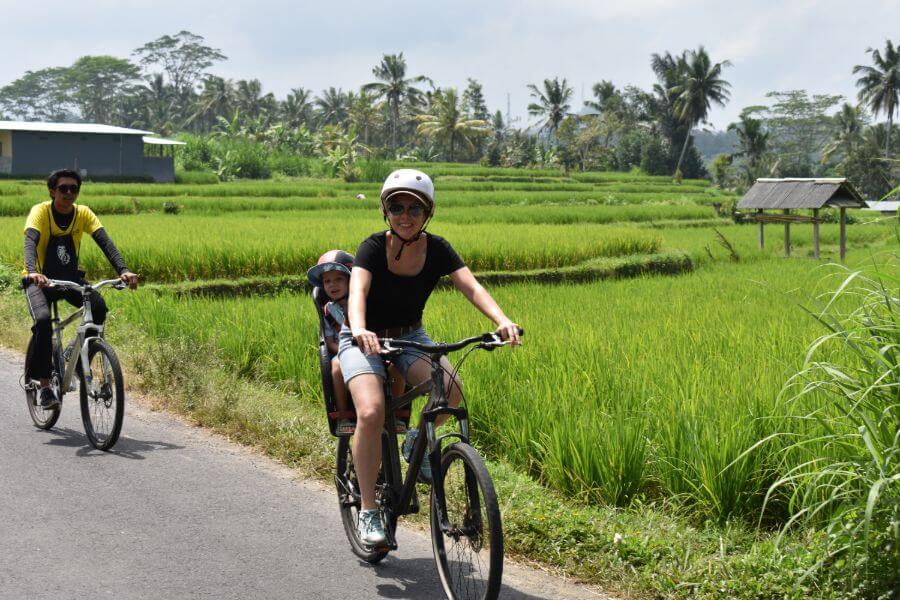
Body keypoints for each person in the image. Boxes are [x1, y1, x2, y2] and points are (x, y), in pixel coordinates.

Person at [339, 168, 521, 546]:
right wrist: (359, 327)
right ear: (385, 211)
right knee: (371, 412)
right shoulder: (372, 247)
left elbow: (471, 287)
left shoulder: (437, 249)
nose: (405, 216)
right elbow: (357, 291)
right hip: (363, 338)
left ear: (428, 214)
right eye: (397, 207)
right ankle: (369, 513)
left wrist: (502, 320)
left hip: (410, 337)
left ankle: (416, 440)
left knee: (450, 389)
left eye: (415, 209)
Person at [23, 169, 139, 409]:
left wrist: (123, 270)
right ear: (52, 191)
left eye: (73, 189)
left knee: (98, 307)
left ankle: (73, 358)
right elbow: (30, 240)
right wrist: (33, 271)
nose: (68, 193)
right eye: (63, 188)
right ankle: (44, 387)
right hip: (39, 281)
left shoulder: (83, 213)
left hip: (69, 279)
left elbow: (105, 242)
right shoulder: (41, 211)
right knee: (43, 321)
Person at [308, 249, 406, 436]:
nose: (332, 285)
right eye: (327, 281)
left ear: (351, 280)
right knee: (336, 366)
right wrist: (347, 349)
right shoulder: (329, 310)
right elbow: (329, 342)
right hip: (344, 350)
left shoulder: (366, 303)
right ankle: (344, 415)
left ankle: (395, 413)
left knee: (397, 365)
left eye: (338, 279)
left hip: (375, 348)